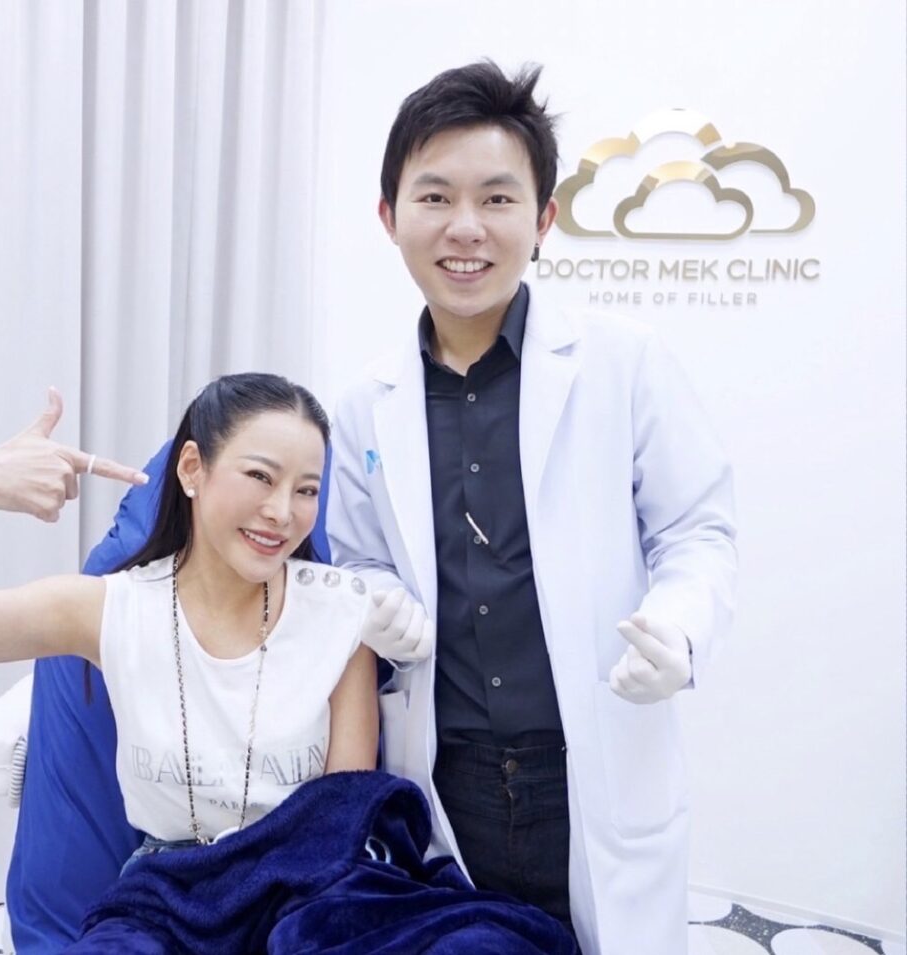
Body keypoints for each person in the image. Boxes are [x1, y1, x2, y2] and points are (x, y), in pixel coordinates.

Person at [325, 61, 738, 955]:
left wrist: (680, 625)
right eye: (435, 197)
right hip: (448, 775)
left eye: (498, 199)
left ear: (544, 219)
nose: (466, 227)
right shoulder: (364, 404)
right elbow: (358, 559)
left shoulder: (624, 364)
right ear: (390, 216)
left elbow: (696, 529)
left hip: (585, 767)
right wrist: (377, 599)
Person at [0, 374, 378, 903]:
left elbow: (341, 821)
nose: (282, 512)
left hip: (306, 886)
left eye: (306, 490)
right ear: (192, 468)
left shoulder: (340, 613)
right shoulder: (114, 608)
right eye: (260, 476)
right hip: (167, 895)